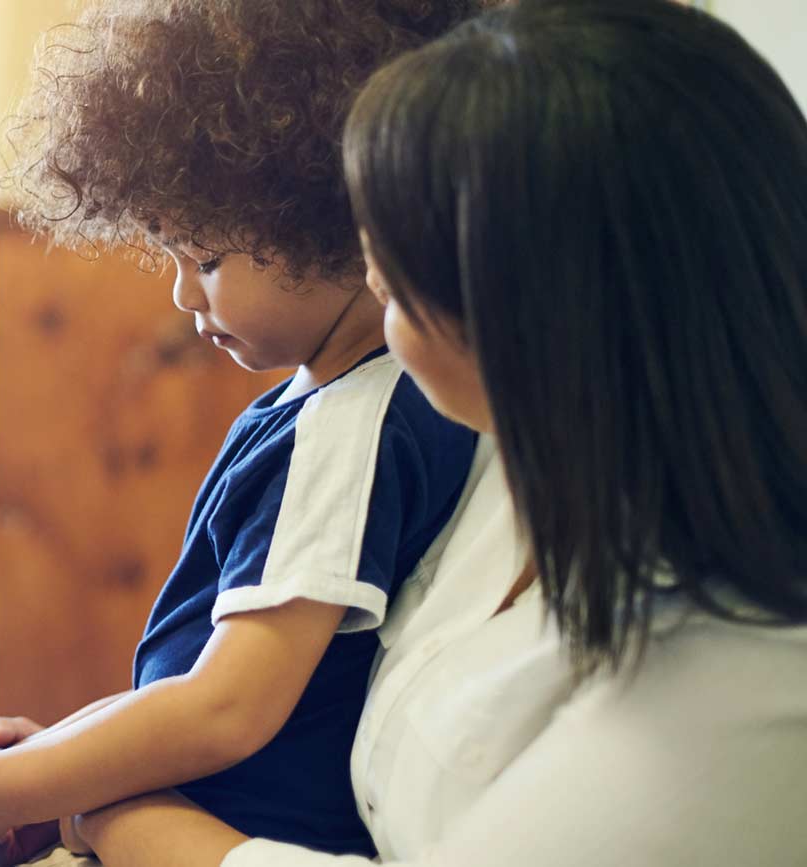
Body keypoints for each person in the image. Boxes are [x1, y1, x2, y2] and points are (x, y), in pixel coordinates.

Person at [51, 1, 807, 864]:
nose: (369, 290)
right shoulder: (506, 461)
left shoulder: (738, 695)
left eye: (388, 267)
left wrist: (114, 811)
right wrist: (76, 761)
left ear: (518, 305)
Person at [0, 2, 483, 862]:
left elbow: (226, 705)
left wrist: (13, 785)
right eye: (171, 255)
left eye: (208, 259)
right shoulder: (327, 404)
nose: (183, 296)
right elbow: (188, 683)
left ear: (335, 224)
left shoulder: (349, 429)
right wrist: (52, 763)